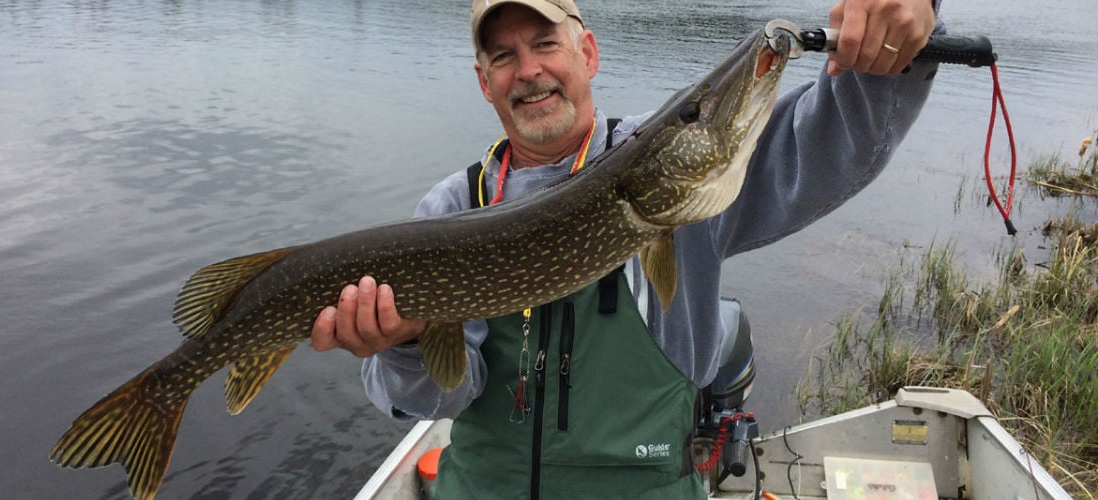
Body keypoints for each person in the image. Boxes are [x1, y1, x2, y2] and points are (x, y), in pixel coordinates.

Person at [311, 0, 941, 497]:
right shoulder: (454, 208)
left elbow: (834, 140)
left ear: (588, 52)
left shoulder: (681, 182)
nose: (527, 70)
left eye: (546, 44)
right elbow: (441, 396)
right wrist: (407, 344)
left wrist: (899, 38)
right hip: (482, 490)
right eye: (503, 56)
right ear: (484, 83)